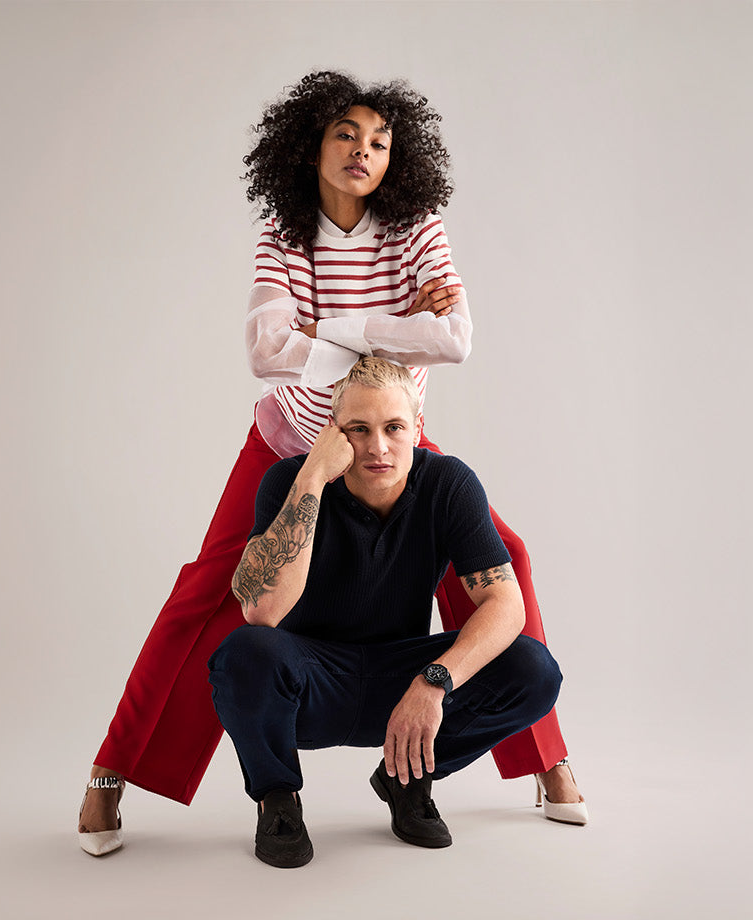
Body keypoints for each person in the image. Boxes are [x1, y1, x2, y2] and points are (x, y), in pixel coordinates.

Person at [77, 71, 585, 858]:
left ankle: (546, 758)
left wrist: (327, 328)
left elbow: (453, 340)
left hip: (389, 436)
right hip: (295, 440)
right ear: (310, 144)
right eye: (346, 134)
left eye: (380, 141)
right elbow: (265, 351)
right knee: (208, 590)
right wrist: (398, 323)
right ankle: (112, 770)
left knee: (503, 564)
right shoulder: (285, 234)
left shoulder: (416, 227)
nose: (363, 151)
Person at [209, 357, 561, 868]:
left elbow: (506, 605)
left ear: (417, 429)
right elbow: (260, 609)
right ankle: (277, 799)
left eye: (393, 427)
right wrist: (313, 475)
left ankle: (407, 778)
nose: (377, 447)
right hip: (311, 685)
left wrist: (435, 681)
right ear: (334, 433)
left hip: (401, 683)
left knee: (532, 668)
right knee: (244, 652)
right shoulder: (290, 480)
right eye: (359, 429)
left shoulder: (448, 483)